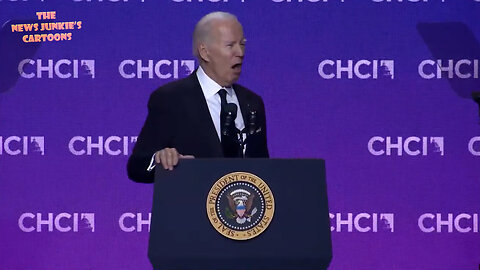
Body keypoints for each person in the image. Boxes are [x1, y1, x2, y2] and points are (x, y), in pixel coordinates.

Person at [127, 12, 269, 183]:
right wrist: (160, 158)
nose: (240, 52)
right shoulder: (171, 99)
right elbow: (137, 166)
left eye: (242, 44)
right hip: (192, 207)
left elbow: (263, 170)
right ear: (205, 52)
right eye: (230, 45)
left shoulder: (252, 102)